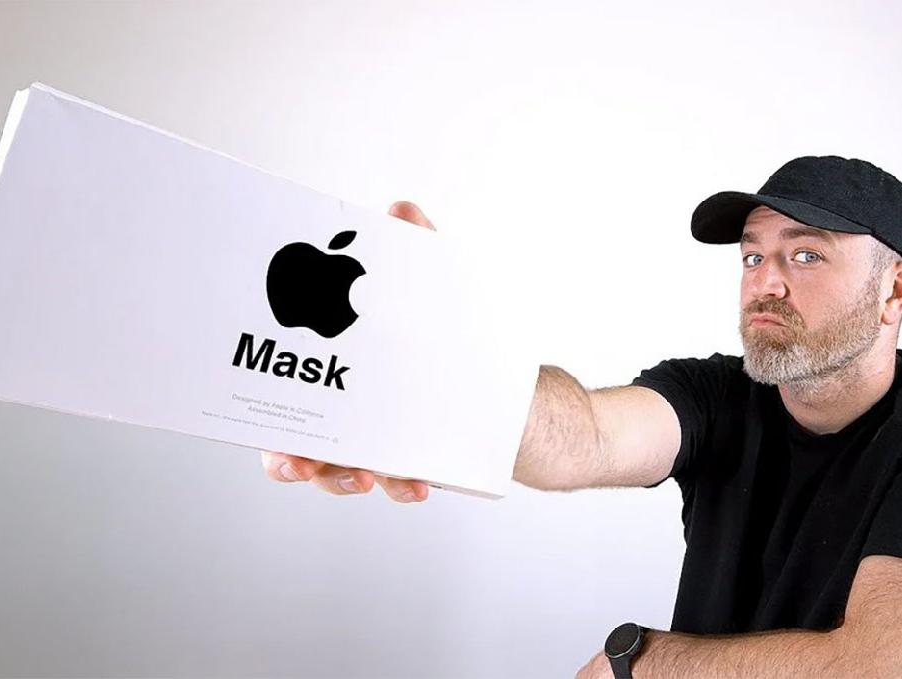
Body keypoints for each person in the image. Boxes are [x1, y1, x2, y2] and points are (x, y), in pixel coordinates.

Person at [261, 156, 902, 678]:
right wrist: (437, 381)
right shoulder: (717, 394)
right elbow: (585, 437)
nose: (765, 284)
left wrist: (646, 664)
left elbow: (875, 666)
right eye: (752, 257)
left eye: (806, 255)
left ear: (893, 291)